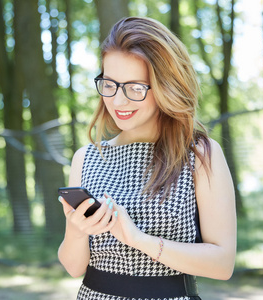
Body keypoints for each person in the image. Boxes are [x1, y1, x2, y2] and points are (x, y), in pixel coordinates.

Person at [57, 16, 236, 300]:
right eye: (110, 84)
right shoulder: (86, 157)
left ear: (166, 87)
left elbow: (223, 264)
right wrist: (78, 231)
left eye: (135, 88)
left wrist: (139, 240)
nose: (118, 101)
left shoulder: (199, 154)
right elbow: (72, 266)